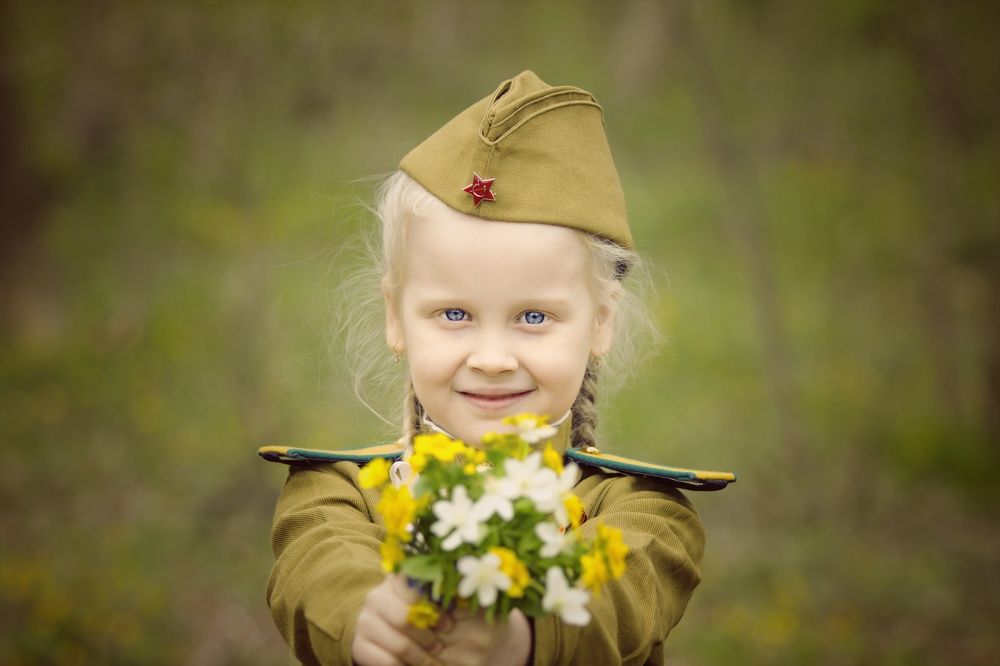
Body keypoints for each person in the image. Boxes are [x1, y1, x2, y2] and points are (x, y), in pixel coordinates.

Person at [260, 70, 734, 666]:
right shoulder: (338, 492)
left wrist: (524, 638)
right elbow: (318, 563)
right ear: (396, 317)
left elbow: (626, 593)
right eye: (454, 313)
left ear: (600, 321)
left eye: (533, 317)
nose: (490, 359)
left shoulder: (644, 509)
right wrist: (367, 616)